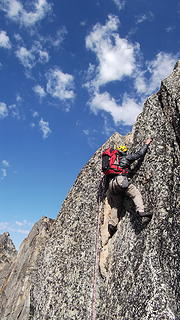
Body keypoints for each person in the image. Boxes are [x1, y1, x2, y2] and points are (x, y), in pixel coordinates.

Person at [104, 138, 153, 237]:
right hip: (121, 180)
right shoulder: (125, 158)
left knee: (116, 206)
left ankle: (112, 225)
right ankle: (141, 211)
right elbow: (139, 154)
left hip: (111, 185)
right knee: (135, 193)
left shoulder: (112, 163)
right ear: (124, 152)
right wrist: (146, 144)